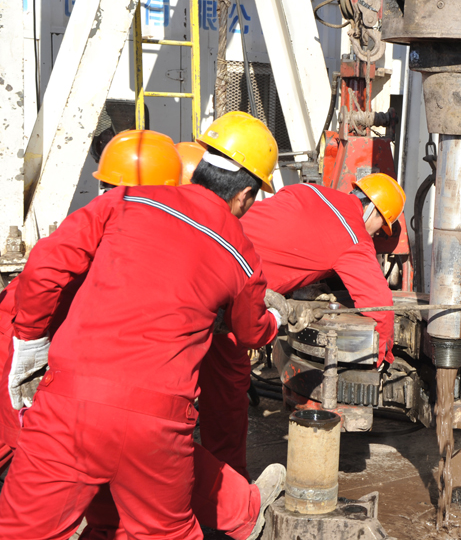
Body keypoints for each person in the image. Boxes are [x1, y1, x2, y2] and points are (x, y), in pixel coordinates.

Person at [0, 113, 289, 540]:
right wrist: (275, 319)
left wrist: (29, 344)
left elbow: (45, 265)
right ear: (246, 195)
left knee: (23, 530)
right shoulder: (241, 254)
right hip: (156, 424)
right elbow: (250, 333)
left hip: (69, 405)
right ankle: (242, 512)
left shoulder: (127, 200)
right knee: (163, 530)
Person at [198, 173, 406, 478]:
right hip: (229, 294)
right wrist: (381, 358)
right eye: (380, 229)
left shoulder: (307, 191)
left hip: (202, 253)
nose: (375, 236)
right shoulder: (353, 236)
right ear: (374, 211)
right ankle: (229, 487)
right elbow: (380, 307)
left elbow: (288, 239)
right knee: (227, 390)